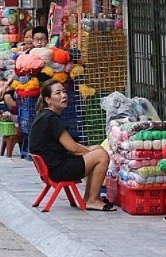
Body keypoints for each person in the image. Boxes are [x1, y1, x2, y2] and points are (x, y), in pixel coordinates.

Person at [28, 79, 113, 211]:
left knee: (97, 150)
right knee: (101, 156)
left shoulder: (45, 116)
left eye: (64, 91)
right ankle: (92, 199)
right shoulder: (51, 119)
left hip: (52, 168)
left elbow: (71, 146)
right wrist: (90, 151)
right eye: (58, 93)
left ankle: (89, 198)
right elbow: (73, 148)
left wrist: (91, 149)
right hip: (58, 170)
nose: (63, 95)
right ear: (48, 100)